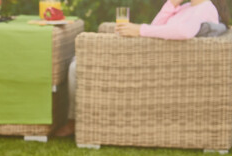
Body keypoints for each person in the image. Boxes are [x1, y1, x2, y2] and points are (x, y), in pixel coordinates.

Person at [55, 0, 230, 136]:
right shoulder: (185, 8)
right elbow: (155, 26)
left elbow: (183, 32)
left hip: (154, 67)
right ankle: (77, 119)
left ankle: (74, 121)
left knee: (77, 66)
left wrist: (139, 30)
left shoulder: (206, 8)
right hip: (148, 60)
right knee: (77, 63)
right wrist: (171, 4)